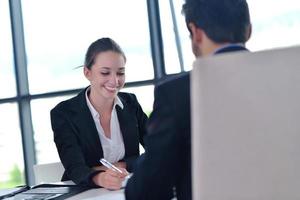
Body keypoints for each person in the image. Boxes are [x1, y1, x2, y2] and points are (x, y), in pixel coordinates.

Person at [125, 0, 252, 199]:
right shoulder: (289, 78)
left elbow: (147, 190)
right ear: (248, 30)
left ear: (196, 32)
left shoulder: (176, 94)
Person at [50, 37, 148, 190]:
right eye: (105, 73)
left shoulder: (131, 103)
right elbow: (75, 168)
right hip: (86, 192)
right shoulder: (64, 114)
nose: (114, 81)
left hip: (127, 189)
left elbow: (158, 148)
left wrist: (122, 165)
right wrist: (101, 177)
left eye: (120, 73)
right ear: (87, 73)